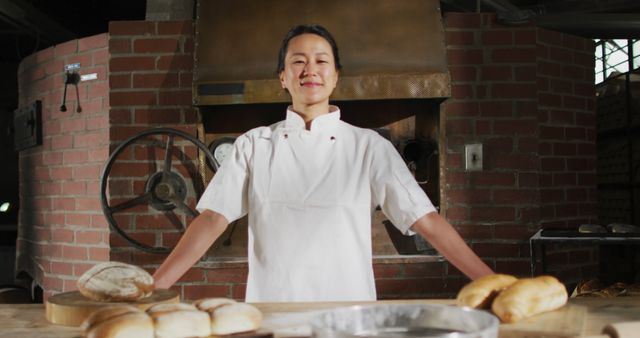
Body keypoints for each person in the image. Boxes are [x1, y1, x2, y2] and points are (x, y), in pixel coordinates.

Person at [153, 24, 494, 302]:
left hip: (349, 313)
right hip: (274, 311)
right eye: (298, 62)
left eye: (321, 61)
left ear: (335, 77)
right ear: (282, 77)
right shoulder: (253, 145)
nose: (310, 70)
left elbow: (427, 221)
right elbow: (212, 218)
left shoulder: (369, 147)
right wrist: (152, 288)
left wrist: (492, 282)